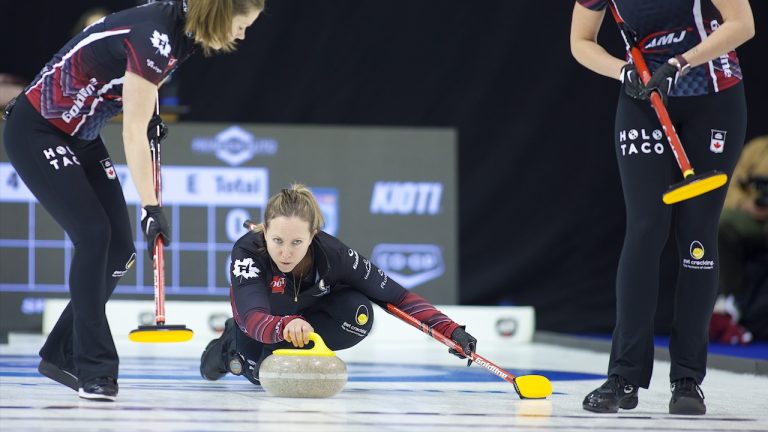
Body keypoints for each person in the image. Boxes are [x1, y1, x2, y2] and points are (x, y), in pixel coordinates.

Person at [2, 0, 265, 402]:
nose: (243, 35)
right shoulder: (156, 34)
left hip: (82, 133)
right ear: (220, 12)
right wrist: (151, 207)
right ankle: (94, 368)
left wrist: (150, 108)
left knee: (120, 249)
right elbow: (133, 134)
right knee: (92, 236)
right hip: (38, 129)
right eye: (242, 24)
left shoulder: (183, 29)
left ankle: (60, 351)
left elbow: (137, 84)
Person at [570, 0, 754, 416]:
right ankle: (624, 376)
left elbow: (743, 25)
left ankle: (688, 378)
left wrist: (680, 63)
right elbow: (580, 41)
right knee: (645, 228)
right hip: (644, 98)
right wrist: (622, 70)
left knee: (697, 234)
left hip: (713, 96)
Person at [200, 185, 477, 386]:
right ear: (266, 232)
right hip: (260, 323)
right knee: (256, 376)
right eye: (277, 241)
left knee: (359, 313)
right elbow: (251, 317)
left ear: (313, 235)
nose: (285, 253)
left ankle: (288, 346)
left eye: (297, 242)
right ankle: (228, 347)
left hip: (304, 319)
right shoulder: (248, 252)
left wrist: (450, 330)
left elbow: (398, 298)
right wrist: (285, 325)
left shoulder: (336, 256)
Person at [711, 136, 768, 344]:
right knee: (722, 225)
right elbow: (731, 186)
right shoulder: (758, 149)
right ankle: (731, 300)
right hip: (754, 215)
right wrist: (747, 204)